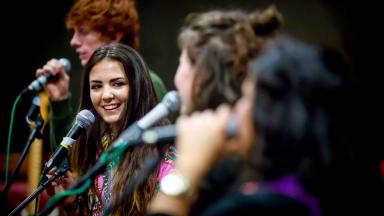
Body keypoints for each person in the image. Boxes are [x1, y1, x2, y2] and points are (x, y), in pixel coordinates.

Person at [149, 36, 357, 216]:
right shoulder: (316, 190)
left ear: (277, 117)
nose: (236, 109)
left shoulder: (263, 208)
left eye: (247, 98)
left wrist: (185, 172)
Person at [172, 6, 283, 214]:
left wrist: (179, 183)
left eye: (181, 62)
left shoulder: (220, 171)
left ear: (201, 76)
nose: (176, 77)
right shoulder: (259, 153)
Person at [45, 43, 175, 215]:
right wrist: (73, 203)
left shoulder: (163, 161)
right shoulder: (100, 149)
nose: (106, 95)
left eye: (118, 84)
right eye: (97, 86)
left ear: (138, 87)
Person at [35, 0, 167, 150]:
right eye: (96, 86)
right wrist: (60, 99)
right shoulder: (95, 84)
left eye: (84, 32)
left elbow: (148, 156)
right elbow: (71, 160)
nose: (73, 42)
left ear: (115, 34)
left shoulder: (148, 82)